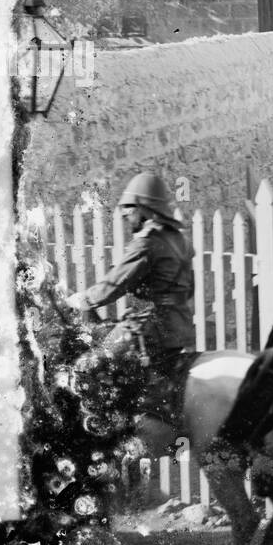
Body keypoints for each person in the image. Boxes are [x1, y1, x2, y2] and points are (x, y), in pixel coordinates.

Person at [68, 172, 196, 421]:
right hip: (180, 326)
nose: (125, 214)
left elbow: (115, 284)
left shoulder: (147, 244)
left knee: (89, 365)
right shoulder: (179, 240)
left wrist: (83, 299)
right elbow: (188, 289)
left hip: (151, 328)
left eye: (129, 208)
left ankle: (105, 430)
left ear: (145, 208)